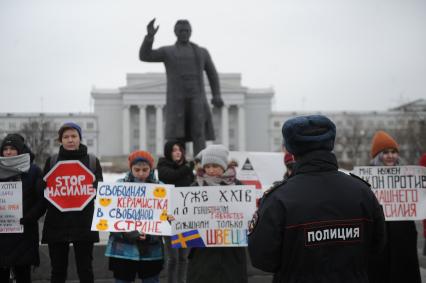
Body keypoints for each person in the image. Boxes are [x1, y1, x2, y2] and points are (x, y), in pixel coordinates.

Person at [248, 115, 386, 283]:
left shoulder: (278, 198)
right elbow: (378, 247)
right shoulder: (362, 192)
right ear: (330, 144)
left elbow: (263, 259)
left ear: (291, 150)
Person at [139, 19, 224, 155]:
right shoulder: (168, 51)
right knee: (178, 135)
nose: (184, 33)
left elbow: (212, 74)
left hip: (197, 97)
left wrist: (216, 94)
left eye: (187, 31)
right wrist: (149, 37)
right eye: (181, 31)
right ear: (175, 33)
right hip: (177, 99)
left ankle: (200, 165)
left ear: (191, 32)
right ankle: (179, 165)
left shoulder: (202, 52)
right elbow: (145, 56)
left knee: (198, 132)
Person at [41, 122, 103, 283]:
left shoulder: (92, 161)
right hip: (57, 224)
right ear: (60, 140)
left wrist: (93, 188)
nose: (70, 140)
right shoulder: (52, 161)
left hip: (83, 223)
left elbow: (101, 191)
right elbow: (44, 190)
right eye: (66, 137)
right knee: (58, 271)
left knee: (85, 270)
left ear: (80, 138)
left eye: (74, 136)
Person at [187, 144, 248, 283]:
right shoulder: (194, 187)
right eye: (207, 166)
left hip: (231, 252)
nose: (211, 170)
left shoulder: (239, 187)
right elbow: (185, 216)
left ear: (224, 166)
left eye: (215, 166)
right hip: (202, 252)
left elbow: (247, 215)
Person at [367, 130, 421, 283]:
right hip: (378, 235)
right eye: (385, 152)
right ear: (378, 156)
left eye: (394, 152)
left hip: (403, 234)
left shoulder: (408, 177)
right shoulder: (367, 178)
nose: (390, 156)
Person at [106, 150, 164, 283]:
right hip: (122, 250)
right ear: (130, 168)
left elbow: (165, 220)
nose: (141, 174)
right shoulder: (118, 187)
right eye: (137, 169)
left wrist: (150, 235)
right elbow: (108, 217)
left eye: (145, 169)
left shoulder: (160, 189)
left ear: (151, 168)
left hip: (151, 250)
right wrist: (126, 233)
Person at [0, 134, 44, 283]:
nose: (8, 152)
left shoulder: (33, 171)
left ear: (20, 150)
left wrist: (30, 217)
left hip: (24, 233)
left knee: (24, 275)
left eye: (12, 148)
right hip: (2, 232)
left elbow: (42, 200)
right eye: (5, 149)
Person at [157, 141, 193, 283]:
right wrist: (189, 167)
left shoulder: (186, 167)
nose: (178, 152)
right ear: (168, 152)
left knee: (184, 258)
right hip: (169, 218)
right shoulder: (163, 166)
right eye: (174, 150)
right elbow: (172, 176)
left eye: (180, 149)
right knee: (173, 258)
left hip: (186, 217)